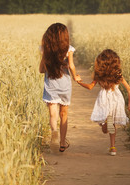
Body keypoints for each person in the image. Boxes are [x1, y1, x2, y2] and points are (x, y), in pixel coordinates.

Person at [76, 49, 130, 156]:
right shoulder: (118, 74)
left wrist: (79, 82)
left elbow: (90, 87)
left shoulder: (100, 75)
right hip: (116, 99)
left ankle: (112, 144)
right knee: (111, 124)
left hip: (104, 99)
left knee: (105, 128)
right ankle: (113, 147)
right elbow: (129, 89)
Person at [39, 23, 81, 152]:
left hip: (51, 84)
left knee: (53, 114)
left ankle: (54, 133)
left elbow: (41, 69)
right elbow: (72, 66)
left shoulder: (45, 49)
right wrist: (76, 77)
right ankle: (62, 142)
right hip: (64, 85)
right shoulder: (68, 49)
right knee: (64, 114)